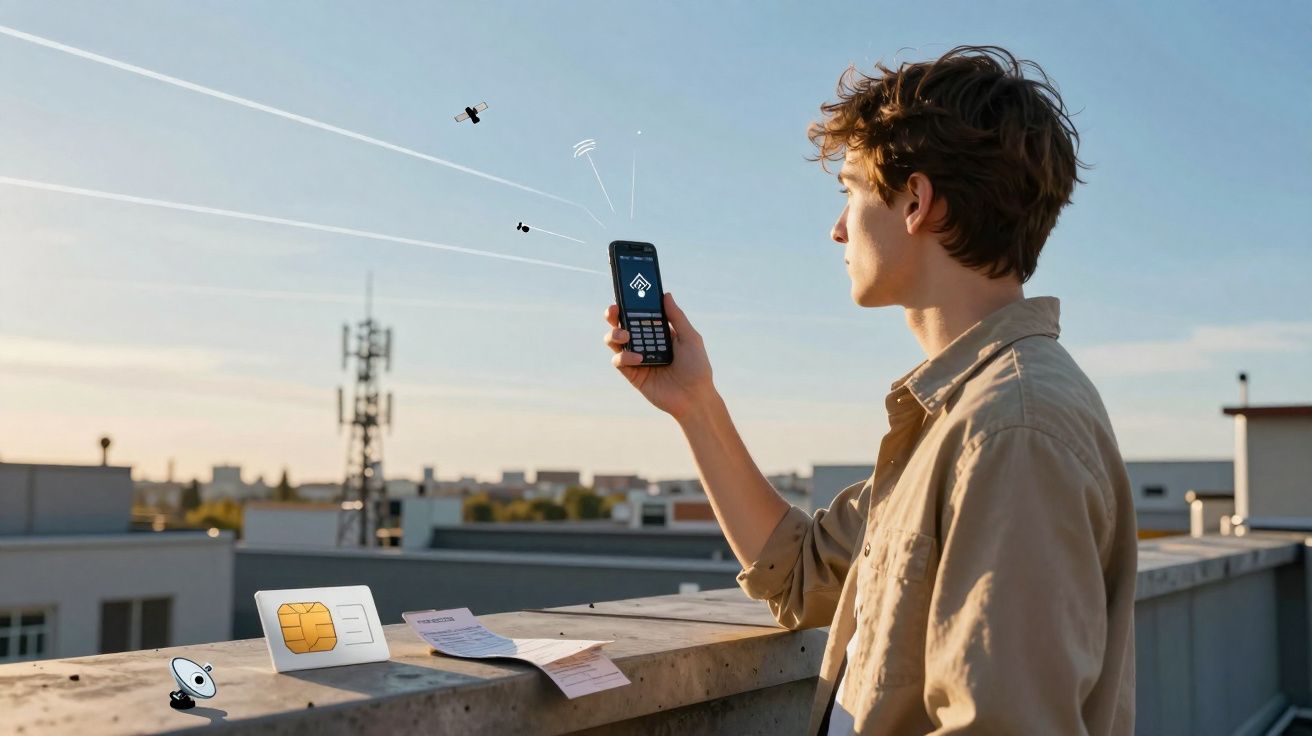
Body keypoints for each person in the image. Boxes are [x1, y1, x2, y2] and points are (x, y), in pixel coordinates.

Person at [603, 45, 1135, 735]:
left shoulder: (1010, 429)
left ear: (915, 201)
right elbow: (800, 571)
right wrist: (695, 404)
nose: (836, 229)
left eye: (851, 191)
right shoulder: (958, 415)